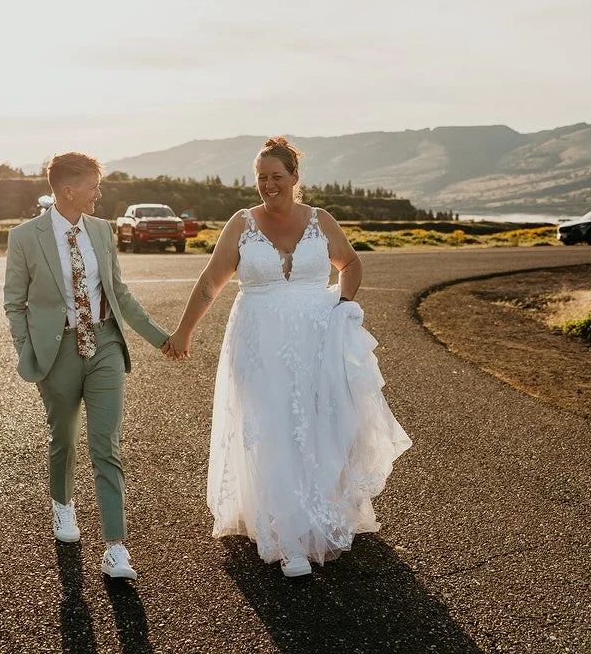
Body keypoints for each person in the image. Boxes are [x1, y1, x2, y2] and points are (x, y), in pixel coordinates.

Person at [164, 137, 412, 577]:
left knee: (315, 425)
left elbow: (350, 264)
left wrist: (342, 308)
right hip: (258, 341)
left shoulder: (321, 220)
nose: (268, 184)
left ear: (295, 178)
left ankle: (323, 512)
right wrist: (184, 331)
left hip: (314, 339)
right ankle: (288, 539)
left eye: (277, 176)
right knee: (274, 428)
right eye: (261, 177)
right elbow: (211, 281)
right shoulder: (241, 224)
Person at [4, 151, 172, 581]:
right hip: (55, 350)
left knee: (106, 445)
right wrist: (29, 349)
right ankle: (62, 505)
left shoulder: (101, 230)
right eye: (95, 186)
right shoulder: (25, 237)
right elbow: (14, 302)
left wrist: (162, 338)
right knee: (63, 438)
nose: (100, 193)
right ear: (68, 190)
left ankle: (116, 548)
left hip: (105, 345)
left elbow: (118, 290)